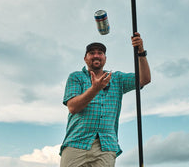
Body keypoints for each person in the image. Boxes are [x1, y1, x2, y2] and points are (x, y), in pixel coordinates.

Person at [59, 32, 151, 167]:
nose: (96, 55)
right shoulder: (76, 77)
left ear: (105, 58)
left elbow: (144, 79)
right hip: (76, 143)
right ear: (85, 58)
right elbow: (73, 107)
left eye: (100, 52)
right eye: (91, 53)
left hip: (106, 145)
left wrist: (141, 52)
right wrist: (95, 88)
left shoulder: (117, 79)